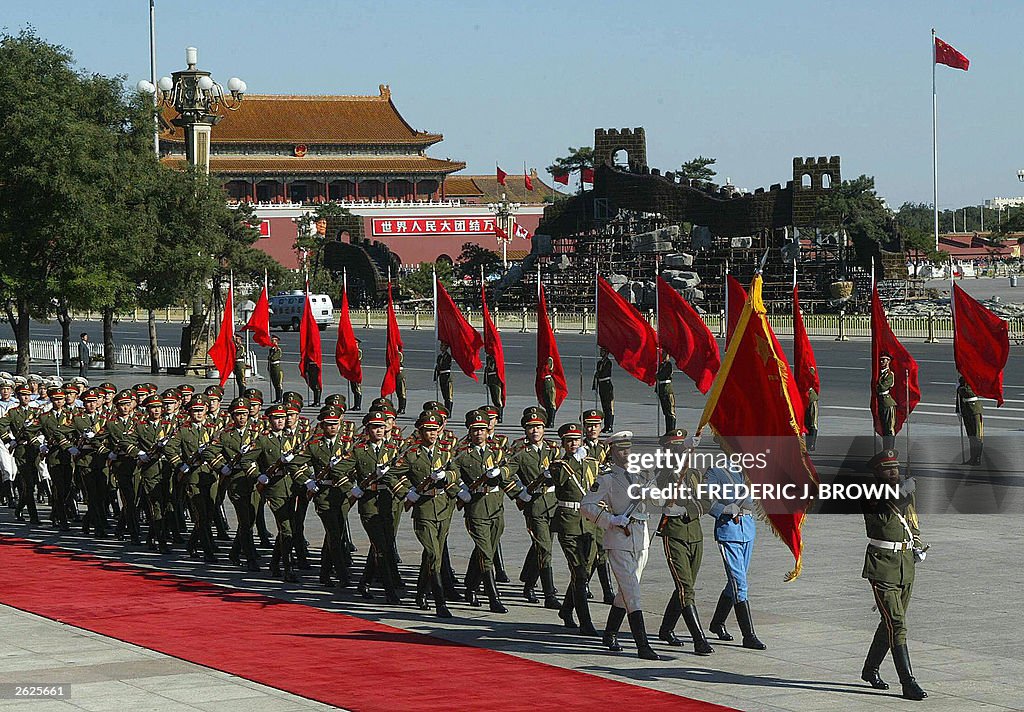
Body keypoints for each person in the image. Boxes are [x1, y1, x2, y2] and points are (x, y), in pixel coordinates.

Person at [582, 431, 662, 660]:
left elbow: (659, 501)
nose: (626, 454)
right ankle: (643, 645)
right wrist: (610, 520)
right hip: (618, 537)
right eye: (620, 450)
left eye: (628, 449)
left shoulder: (643, 475)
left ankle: (610, 633)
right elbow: (586, 505)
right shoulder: (606, 479)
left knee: (627, 588)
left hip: (641, 536)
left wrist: (653, 493)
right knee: (633, 592)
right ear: (612, 452)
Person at [860, 449, 927, 701]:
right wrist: (902, 490)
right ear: (877, 473)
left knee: (890, 623)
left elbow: (911, 521)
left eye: (896, 469)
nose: (893, 473)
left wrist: (916, 544)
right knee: (897, 624)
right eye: (887, 469)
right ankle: (908, 682)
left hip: (905, 565)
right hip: (882, 566)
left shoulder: (904, 492)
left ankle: (870, 669)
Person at [453, 410, 527, 613]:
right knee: (485, 552)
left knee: (486, 549)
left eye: (482, 430)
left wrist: (518, 494)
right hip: (476, 507)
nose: (479, 434)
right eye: (475, 430)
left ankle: (470, 586)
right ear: (469, 431)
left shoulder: (497, 452)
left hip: (496, 506)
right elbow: (452, 475)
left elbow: (509, 472)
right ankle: (493, 597)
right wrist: (461, 492)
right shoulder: (461, 453)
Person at [389, 412, 461, 617]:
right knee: (433, 554)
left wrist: (446, 475)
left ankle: (421, 593)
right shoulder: (412, 455)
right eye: (427, 430)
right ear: (420, 432)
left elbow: (455, 471)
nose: (432, 433)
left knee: (432, 554)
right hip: (424, 509)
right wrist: (406, 492)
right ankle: (440, 602)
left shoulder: (445, 451)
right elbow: (391, 476)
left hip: (443, 507)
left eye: (434, 429)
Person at [653, 430, 713, 655]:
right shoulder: (663, 471)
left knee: (685, 587)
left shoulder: (694, 472)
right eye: (674, 447)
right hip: (674, 534)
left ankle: (666, 629)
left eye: (681, 446)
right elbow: (660, 477)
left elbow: (706, 501)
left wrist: (687, 510)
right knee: (685, 587)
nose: (678, 451)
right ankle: (699, 639)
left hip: (695, 534)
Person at [338, 410, 402, 603]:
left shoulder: (393, 449)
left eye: (382, 427)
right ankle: (390, 590)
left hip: (388, 501)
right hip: (369, 504)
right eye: (375, 427)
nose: (379, 430)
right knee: (381, 546)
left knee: (384, 545)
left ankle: (364, 582)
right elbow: (338, 471)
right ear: (367, 429)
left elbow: (404, 472)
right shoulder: (359, 451)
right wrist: (353, 489)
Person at [292, 405, 355, 590]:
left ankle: (324, 572)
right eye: (329, 424)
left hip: (342, 494)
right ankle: (343, 575)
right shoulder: (314, 446)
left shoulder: (348, 444)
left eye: (335, 424)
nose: (333, 427)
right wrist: (307, 481)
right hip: (324, 495)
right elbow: (295, 464)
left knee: (335, 533)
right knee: (334, 534)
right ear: (322, 425)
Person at [705, 464, 766, 651]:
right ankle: (749, 635)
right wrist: (723, 509)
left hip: (747, 528)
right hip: (728, 529)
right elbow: (705, 499)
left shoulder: (749, 470)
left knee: (736, 581)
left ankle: (717, 622)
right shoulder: (715, 471)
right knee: (740, 583)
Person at [505, 410, 561, 608]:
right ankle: (549, 595)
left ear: (544, 428)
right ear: (525, 429)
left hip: (553, 503)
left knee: (542, 546)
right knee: (544, 547)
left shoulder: (553, 448)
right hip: (535, 504)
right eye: (530, 427)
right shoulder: (519, 450)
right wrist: (520, 492)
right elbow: (506, 474)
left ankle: (528, 581)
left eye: (538, 427)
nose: (534, 430)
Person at [208, 398, 262, 571]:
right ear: (232, 416)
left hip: (253, 479)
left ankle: (235, 551)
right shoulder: (225, 434)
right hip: (236, 480)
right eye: (238, 414)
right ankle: (251, 557)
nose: (242, 418)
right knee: (245, 522)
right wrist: (221, 466)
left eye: (244, 414)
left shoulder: (257, 432)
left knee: (251, 519)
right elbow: (210, 452)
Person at [955, 376, 983, 465]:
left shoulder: (974, 377)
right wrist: (958, 410)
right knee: (971, 436)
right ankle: (972, 458)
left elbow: (970, 393)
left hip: (974, 410)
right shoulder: (962, 379)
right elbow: (959, 398)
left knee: (977, 435)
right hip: (966, 410)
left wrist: (960, 388)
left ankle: (977, 458)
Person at [876, 353, 897, 450]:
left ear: (888, 361)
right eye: (880, 360)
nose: (881, 362)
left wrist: (876, 385)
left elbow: (882, 387)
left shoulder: (889, 374)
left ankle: (890, 449)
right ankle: (886, 449)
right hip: (881, 402)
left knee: (889, 428)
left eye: (883, 360)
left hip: (888, 403)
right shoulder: (880, 373)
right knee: (884, 427)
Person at [592, 348, 614, 432]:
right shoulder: (599, 363)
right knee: (604, 406)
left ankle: (610, 426)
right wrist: (595, 385)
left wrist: (598, 373)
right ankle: (606, 425)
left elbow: (604, 373)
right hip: (601, 385)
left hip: (607, 385)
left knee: (609, 407)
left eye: (603, 351)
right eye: (601, 351)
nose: (601, 353)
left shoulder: (608, 362)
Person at [655, 352, 676, 433]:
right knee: (666, 412)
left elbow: (662, 376)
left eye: (665, 354)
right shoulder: (661, 365)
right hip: (662, 390)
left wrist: (657, 375)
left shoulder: (668, 365)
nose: (663, 355)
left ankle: (671, 431)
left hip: (667, 389)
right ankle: (668, 431)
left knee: (670, 411)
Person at [484, 354, 504, 423]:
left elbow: (492, 368)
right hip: (491, 380)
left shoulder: (495, 358)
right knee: (494, 399)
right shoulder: (489, 357)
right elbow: (487, 370)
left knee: (497, 400)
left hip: (496, 381)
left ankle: (499, 416)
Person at [434, 343, 454, 414]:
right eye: (441, 346)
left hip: (447, 377)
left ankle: (449, 411)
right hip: (442, 376)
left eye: (442, 346)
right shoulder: (439, 356)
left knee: (449, 396)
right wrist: (435, 377)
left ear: (446, 347)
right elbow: (437, 368)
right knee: (444, 395)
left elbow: (445, 365)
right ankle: (445, 410)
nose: (441, 347)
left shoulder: (447, 356)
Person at [540, 356, 558, 427]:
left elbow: (551, 368)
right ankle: (548, 420)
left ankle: (551, 422)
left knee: (551, 402)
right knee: (546, 402)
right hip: (544, 381)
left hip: (548, 381)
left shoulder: (549, 359)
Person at [804, 367, 819, 452]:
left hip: (810, 397)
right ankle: (810, 444)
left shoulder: (809, 367)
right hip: (807, 396)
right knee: (809, 422)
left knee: (812, 422)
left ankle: (811, 444)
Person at [268, 335, 284, 403]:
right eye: (272, 340)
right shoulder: (271, 349)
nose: (272, 341)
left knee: (278, 384)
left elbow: (274, 358)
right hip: (272, 367)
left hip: (277, 367)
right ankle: (277, 398)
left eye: (274, 340)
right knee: (274, 384)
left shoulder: (278, 350)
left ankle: (280, 398)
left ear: (276, 341)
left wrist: (270, 357)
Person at [350, 342, 363, 411]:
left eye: (356, 343)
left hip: (356, 372)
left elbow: (356, 360)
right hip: (352, 372)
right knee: (353, 389)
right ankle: (355, 405)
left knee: (357, 389)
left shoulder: (358, 351)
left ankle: (358, 405)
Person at [395, 351, 408, 415]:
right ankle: (400, 408)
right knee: (398, 392)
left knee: (402, 392)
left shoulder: (398, 354)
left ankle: (402, 408)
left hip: (400, 374)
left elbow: (399, 362)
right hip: (395, 374)